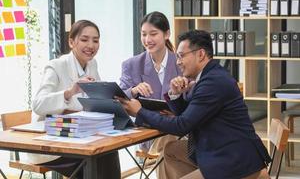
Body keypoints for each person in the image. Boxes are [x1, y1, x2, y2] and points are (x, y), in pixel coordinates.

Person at [117, 30, 271, 179]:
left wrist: (140, 111)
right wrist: (176, 93)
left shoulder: (212, 82)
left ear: (201, 54)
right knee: (171, 150)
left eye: (181, 56)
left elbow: (182, 126)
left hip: (234, 159)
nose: (178, 62)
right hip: (220, 148)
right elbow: (187, 115)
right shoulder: (208, 76)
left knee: (171, 150)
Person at [31, 20, 120, 178]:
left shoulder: (92, 64)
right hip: (51, 142)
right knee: (93, 159)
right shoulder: (55, 66)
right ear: (71, 42)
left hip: (79, 135)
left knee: (108, 152)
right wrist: (70, 91)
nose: (91, 45)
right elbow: (38, 104)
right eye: (84, 40)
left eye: (96, 40)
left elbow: (96, 100)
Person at [119, 11, 181, 177]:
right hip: (149, 133)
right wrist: (133, 90)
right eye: (144, 34)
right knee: (173, 147)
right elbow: (117, 99)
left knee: (175, 146)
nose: (148, 40)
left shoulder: (181, 62)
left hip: (179, 128)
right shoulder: (131, 65)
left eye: (153, 34)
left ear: (167, 34)